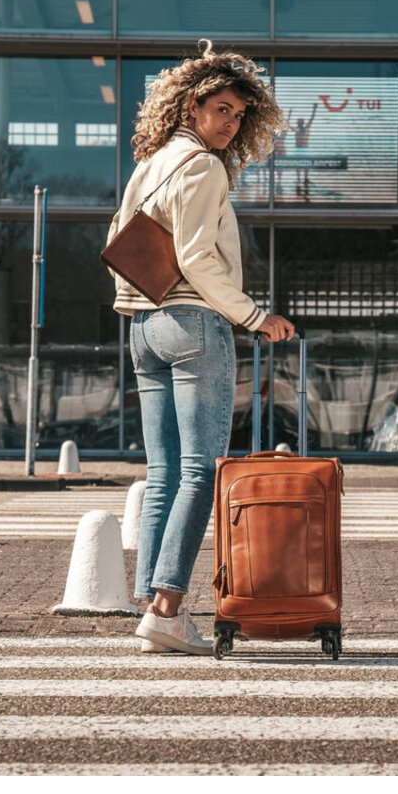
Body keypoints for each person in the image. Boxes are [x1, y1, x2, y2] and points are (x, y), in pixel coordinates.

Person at [105, 39, 295, 656]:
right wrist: (256, 316)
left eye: (239, 114)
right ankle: (167, 609)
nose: (230, 122)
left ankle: (152, 604)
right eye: (221, 109)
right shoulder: (204, 167)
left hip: (143, 324)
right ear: (191, 106)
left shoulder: (152, 162)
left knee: (163, 472)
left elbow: (118, 240)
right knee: (200, 472)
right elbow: (196, 259)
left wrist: (137, 306)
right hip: (192, 321)